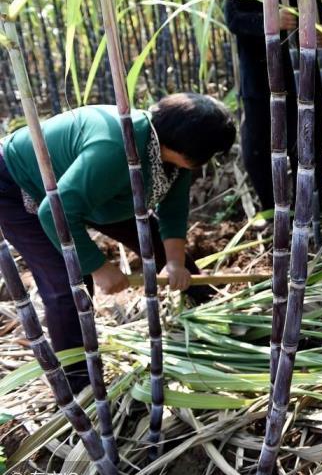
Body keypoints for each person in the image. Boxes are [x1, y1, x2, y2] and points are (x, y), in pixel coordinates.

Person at [0, 93, 236, 392]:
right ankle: (78, 383)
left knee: (158, 244)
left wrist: (175, 263)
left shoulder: (171, 156)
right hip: (20, 184)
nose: (208, 161)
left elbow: (173, 213)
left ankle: (211, 316)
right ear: (190, 146)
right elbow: (54, 211)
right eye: (210, 153)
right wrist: (98, 267)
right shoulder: (115, 148)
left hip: (91, 192)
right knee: (68, 282)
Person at [224, 0, 322, 222]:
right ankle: (272, 211)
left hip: (302, 89)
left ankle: (309, 209)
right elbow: (235, 21)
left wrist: (321, 36)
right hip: (259, 90)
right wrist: (270, 21)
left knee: (308, 146)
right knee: (258, 151)